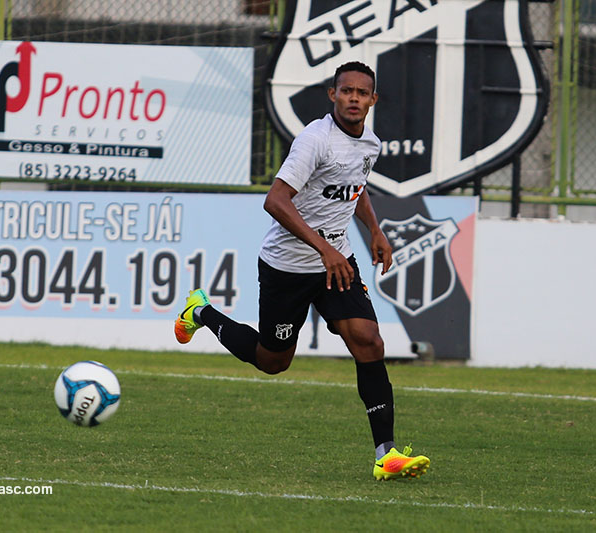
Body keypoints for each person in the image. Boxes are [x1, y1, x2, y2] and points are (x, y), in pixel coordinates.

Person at [174, 61, 429, 481]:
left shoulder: (370, 143)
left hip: (336, 261)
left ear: (373, 100)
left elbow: (354, 187)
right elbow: (275, 201)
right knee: (273, 362)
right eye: (345, 91)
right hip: (287, 266)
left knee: (368, 340)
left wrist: (375, 229)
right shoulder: (315, 140)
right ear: (332, 95)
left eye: (361, 93)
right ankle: (201, 312)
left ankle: (387, 454)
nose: (353, 98)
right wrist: (323, 247)